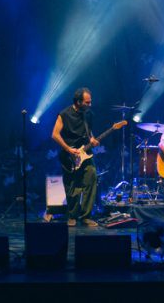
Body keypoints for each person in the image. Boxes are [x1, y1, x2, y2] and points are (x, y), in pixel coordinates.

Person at [51, 87, 100, 227]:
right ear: (78, 102)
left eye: (90, 102)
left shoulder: (89, 114)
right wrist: (68, 149)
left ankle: (86, 216)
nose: (90, 105)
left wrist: (92, 140)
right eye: (87, 102)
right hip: (69, 155)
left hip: (85, 154)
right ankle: (72, 216)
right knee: (72, 187)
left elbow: (89, 133)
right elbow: (54, 134)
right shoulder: (64, 114)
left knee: (91, 177)